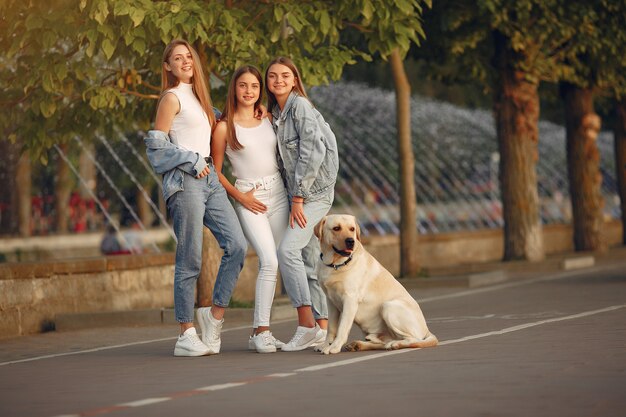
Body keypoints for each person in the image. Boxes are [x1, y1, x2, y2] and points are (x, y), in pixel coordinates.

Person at [144, 39, 248, 357]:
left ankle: (212, 313)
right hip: (187, 181)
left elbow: (218, 126)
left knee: (238, 246)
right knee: (190, 258)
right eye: (177, 58)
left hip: (210, 182)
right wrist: (193, 159)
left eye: (188, 56)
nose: (185, 61)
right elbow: (155, 147)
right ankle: (185, 332)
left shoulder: (201, 98)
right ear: (168, 66)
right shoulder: (171, 98)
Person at [211, 66, 288, 353]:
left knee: (280, 259)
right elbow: (215, 171)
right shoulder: (223, 126)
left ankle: (268, 330)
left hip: (278, 193)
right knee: (268, 260)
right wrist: (240, 197)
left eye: (254, 86)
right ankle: (261, 331)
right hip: (249, 197)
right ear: (234, 88)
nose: (249, 91)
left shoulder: (267, 117)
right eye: (243, 85)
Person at [265, 57, 339, 351]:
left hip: (314, 194)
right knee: (308, 261)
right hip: (299, 194)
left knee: (288, 250)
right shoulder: (276, 113)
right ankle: (322, 328)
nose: (279, 80)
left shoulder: (300, 108)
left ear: (295, 79)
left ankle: (306, 324)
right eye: (272, 76)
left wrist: (297, 197)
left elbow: (312, 151)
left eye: (285, 75)